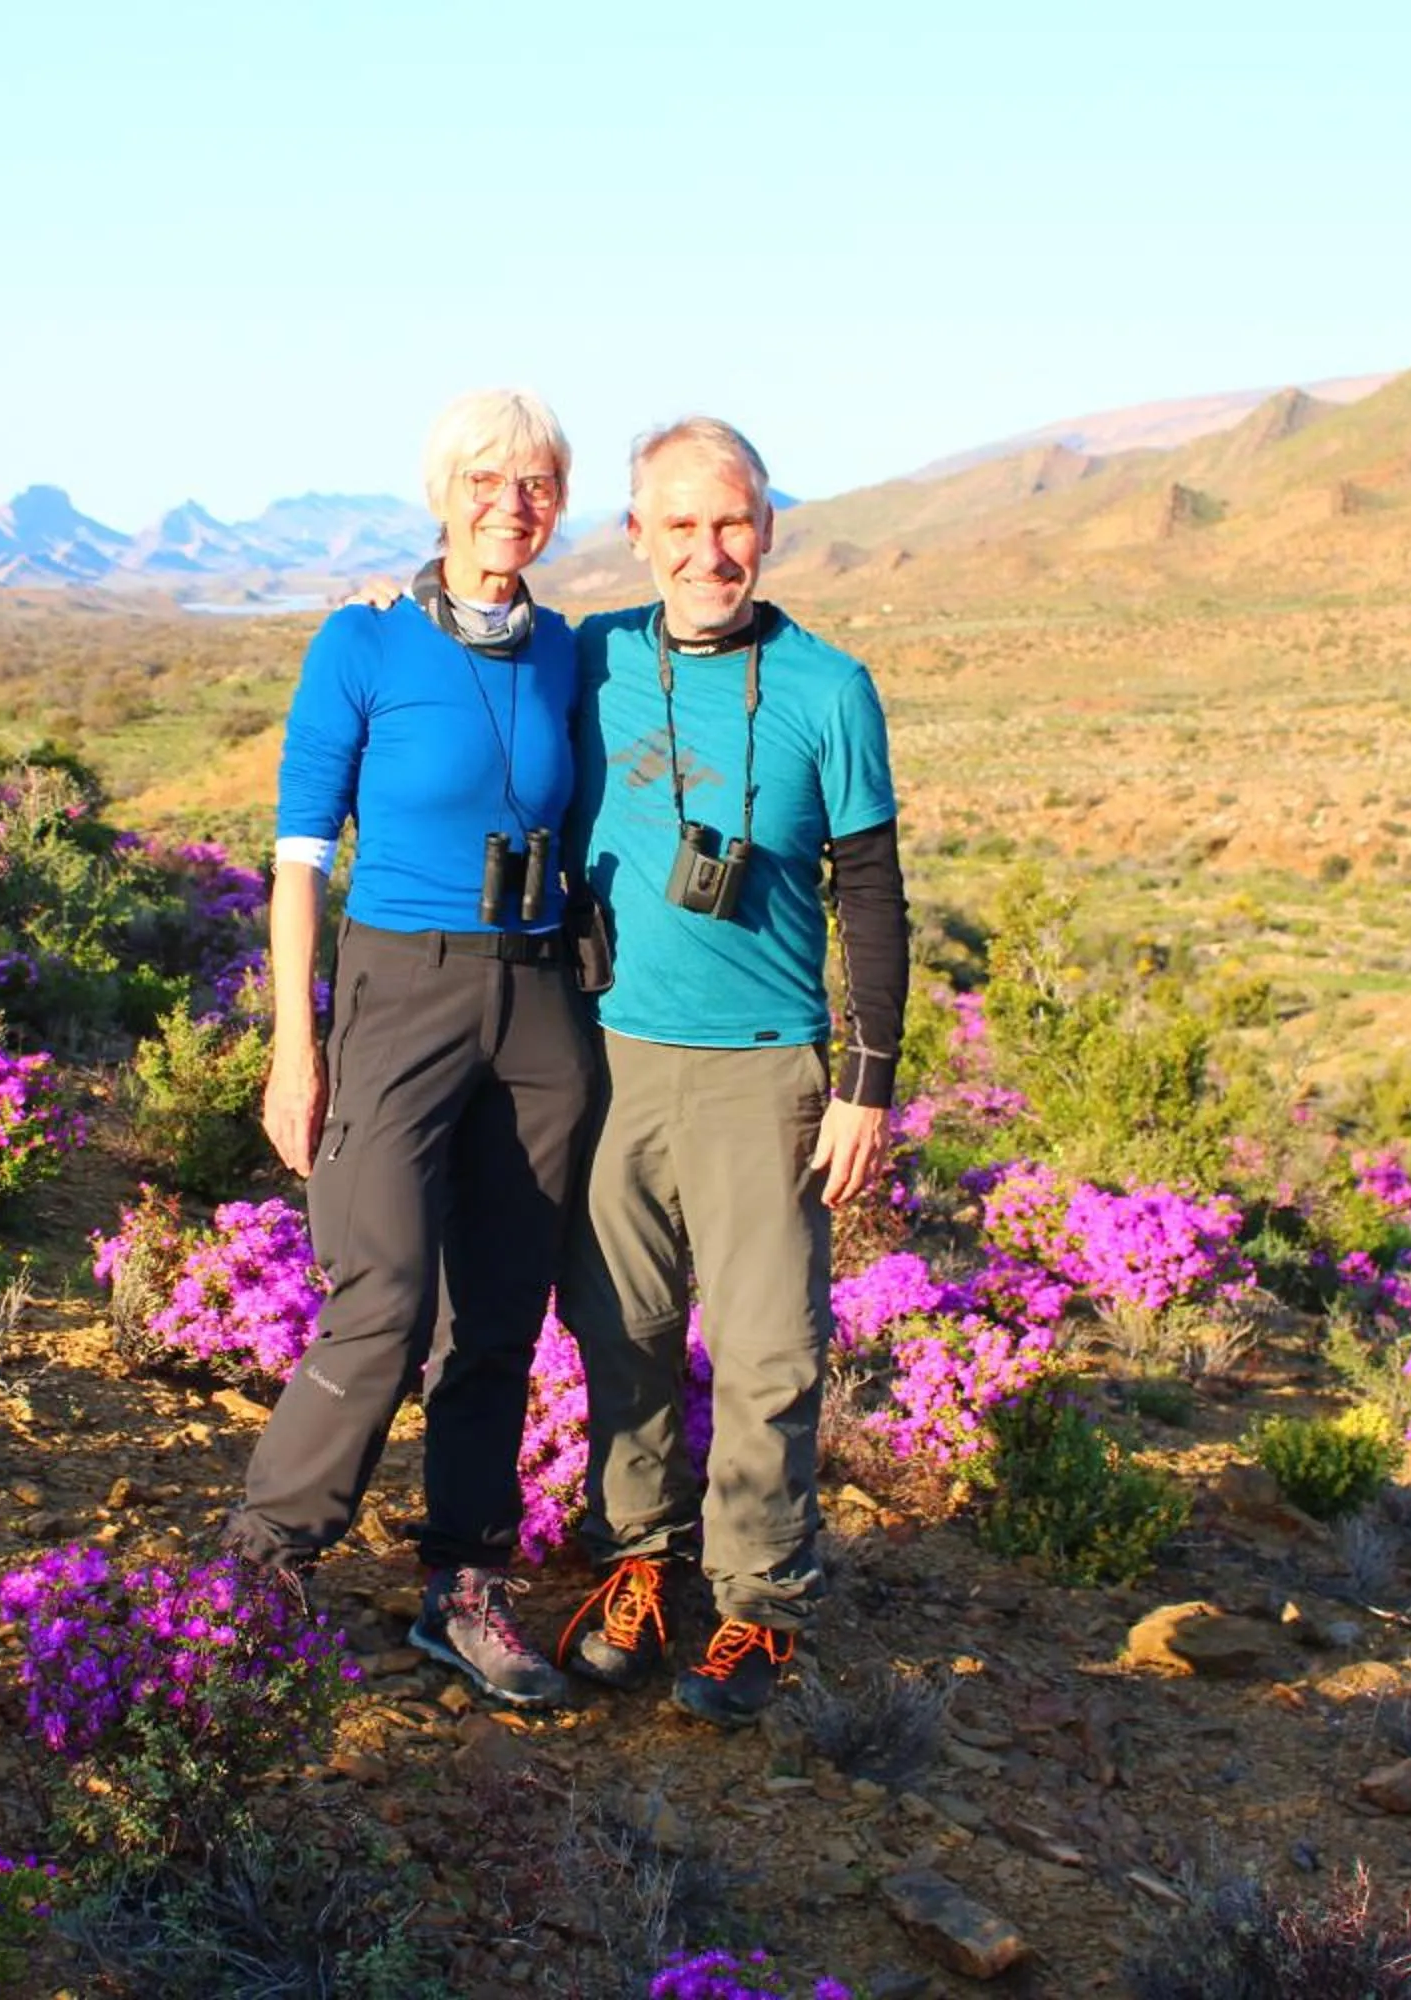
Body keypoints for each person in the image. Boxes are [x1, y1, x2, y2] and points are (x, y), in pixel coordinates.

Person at [222, 388, 593, 1708]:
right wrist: (293, 1043)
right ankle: (265, 1565)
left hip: (542, 1001)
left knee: (499, 1312)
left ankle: (465, 1584)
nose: (512, 501)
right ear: (442, 492)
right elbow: (299, 858)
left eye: (537, 481)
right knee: (380, 1294)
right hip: (400, 989)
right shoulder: (360, 643)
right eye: (485, 479)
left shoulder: (571, 655)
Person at [553, 416, 910, 1727]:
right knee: (621, 1330)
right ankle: (637, 1566)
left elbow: (869, 892)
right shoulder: (586, 659)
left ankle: (758, 1603)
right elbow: (459, 645)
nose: (712, 550)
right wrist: (391, 600)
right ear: (638, 534)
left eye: (734, 522)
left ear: (768, 525)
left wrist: (868, 1081)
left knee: (768, 1353)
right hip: (610, 1058)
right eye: (683, 526)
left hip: (767, 1073)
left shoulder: (829, 689)